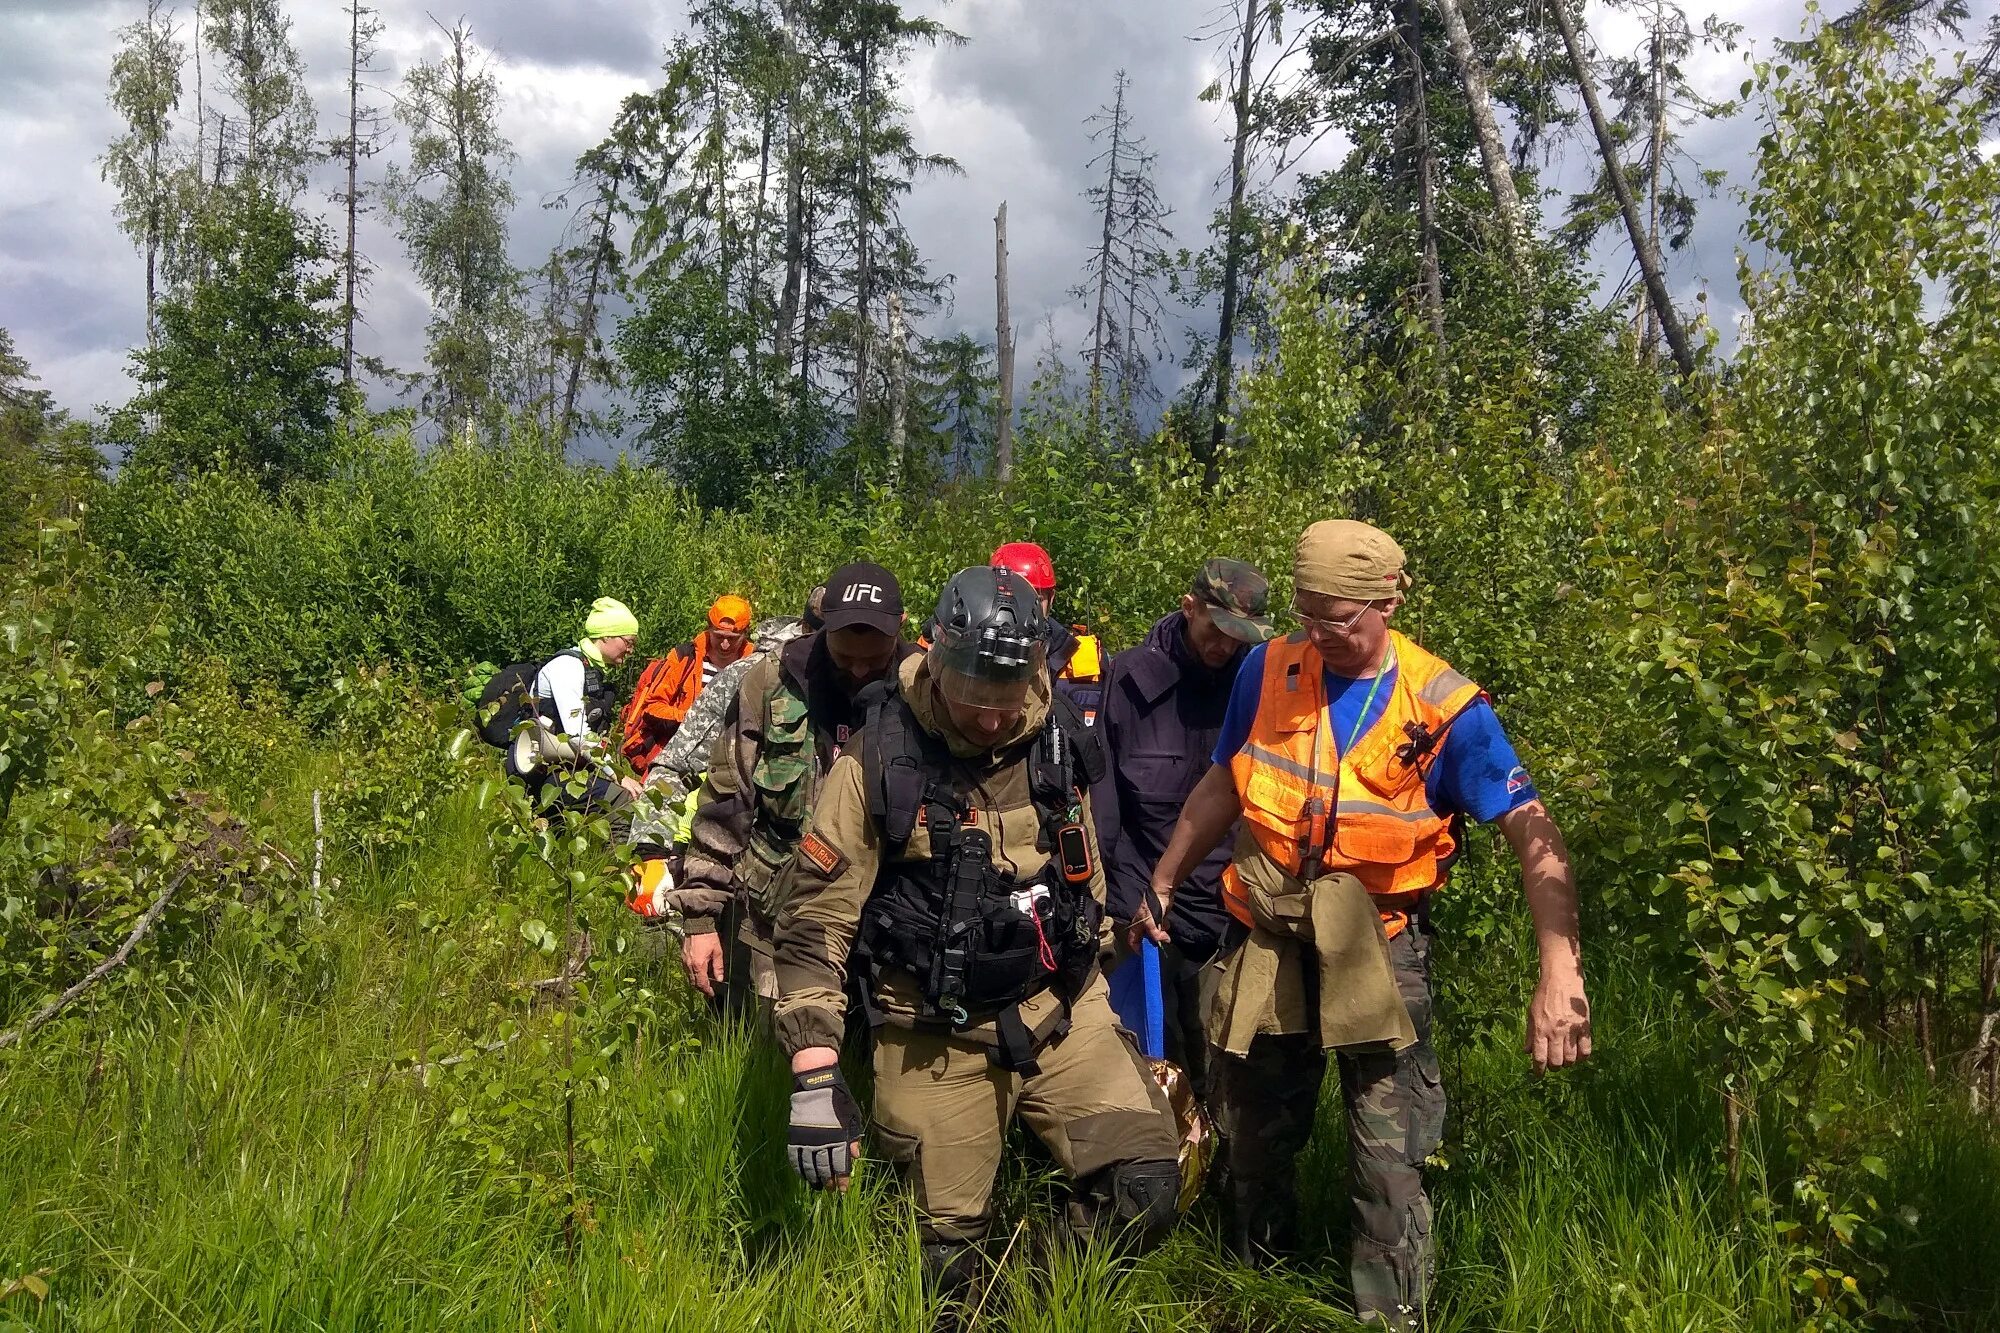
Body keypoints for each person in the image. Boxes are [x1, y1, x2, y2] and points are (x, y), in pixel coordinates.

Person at [1134, 520, 1592, 1328]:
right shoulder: (1268, 666)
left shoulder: (1443, 705)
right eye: (1308, 614)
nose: (1320, 634)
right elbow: (1224, 783)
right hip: (1269, 936)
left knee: (1390, 1156)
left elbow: (1534, 832)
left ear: (1388, 600)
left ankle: (1390, 1314)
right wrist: (1164, 878)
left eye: (1338, 619)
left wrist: (1561, 969)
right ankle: (1256, 1289)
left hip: (1379, 948)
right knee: (1252, 1135)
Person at [773, 566, 1183, 1309]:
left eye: (1007, 698)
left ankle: (1036, 1297)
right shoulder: (877, 761)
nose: (992, 719)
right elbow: (811, 926)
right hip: (934, 1030)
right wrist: (813, 1075)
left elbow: (1081, 866)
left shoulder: (1055, 732)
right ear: (935, 659)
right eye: (974, 699)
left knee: (1147, 1187)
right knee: (944, 1277)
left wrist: (1107, 952)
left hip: (1060, 1012)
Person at [672, 565, 916, 1017]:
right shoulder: (773, 681)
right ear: (825, 629)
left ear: (900, 628)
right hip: (777, 918)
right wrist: (701, 917)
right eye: (846, 657)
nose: (860, 670)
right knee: (773, 1049)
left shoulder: (924, 691)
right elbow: (726, 801)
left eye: (873, 657)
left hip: (891, 922)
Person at [1093, 558, 1275, 1094]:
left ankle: (1220, 1172)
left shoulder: (1263, 686)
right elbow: (1106, 812)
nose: (1224, 647)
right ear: (1188, 607)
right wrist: (1126, 906)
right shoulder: (1127, 680)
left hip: (1231, 910)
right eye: (1214, 631)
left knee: (1229, 1070)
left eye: (1238, 637)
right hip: (1140, 907)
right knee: (1143, 1068)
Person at [511, 596, 645, 834]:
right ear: (606, 636)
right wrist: (618, 775)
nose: (631, 650)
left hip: (557, 769)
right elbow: (577, 734)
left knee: (564, 834)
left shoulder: (587, 669)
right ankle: (622, 869)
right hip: (538, 771)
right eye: (629, 641)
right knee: (622, 801)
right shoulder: (568, 668)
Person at [619, 594, 755, 771]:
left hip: (731, 762)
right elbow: (652, 707)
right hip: (679, 754)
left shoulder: (755, 663)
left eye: (732, 638)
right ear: (709, 628)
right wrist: (693, 719)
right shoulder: (684, 657)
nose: (725, 645)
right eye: (719, 636)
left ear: (745, 633)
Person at [990, 540, 1106, 725]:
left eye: (1035, 599)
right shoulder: (965, 655)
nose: (1024, 612)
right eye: (1013, 600)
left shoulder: (1092, 664)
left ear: (1051, 599)